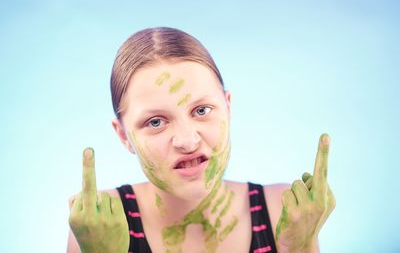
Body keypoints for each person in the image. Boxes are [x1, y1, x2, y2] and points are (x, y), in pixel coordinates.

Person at [67, 27, 335, 253]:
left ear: (228, 108)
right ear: (124, 135)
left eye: (201, 110)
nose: (187, 141)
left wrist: (301, 246)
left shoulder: (285, 210)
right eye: (156, 122)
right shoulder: (97, 225)